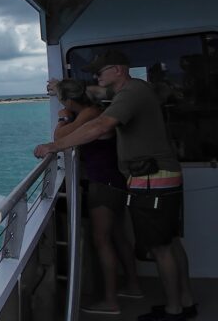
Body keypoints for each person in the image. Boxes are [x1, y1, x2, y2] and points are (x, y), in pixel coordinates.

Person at [34, 50, 195, 321]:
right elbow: (91, 92)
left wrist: (55, 146)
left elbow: (100, 126)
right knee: (171, 243)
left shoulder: (130, 93)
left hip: (151, 179)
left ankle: (175, 310)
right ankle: (186, 301)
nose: (96, 75)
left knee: (161, 248)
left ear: (118, 70)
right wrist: (59, 86)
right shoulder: (133, 89)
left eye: (101, 70)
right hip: (160, 175)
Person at [51, 78, 142, 314]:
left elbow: (59, 138)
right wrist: (58, 86)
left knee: (102, 241)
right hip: (115, 181)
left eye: (63, 99)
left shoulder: (89, 114)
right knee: (119, 236)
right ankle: (133, 285)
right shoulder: (93, 110)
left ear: (69, 101)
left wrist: (62, 116)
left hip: (104, 183)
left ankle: (110, 301)